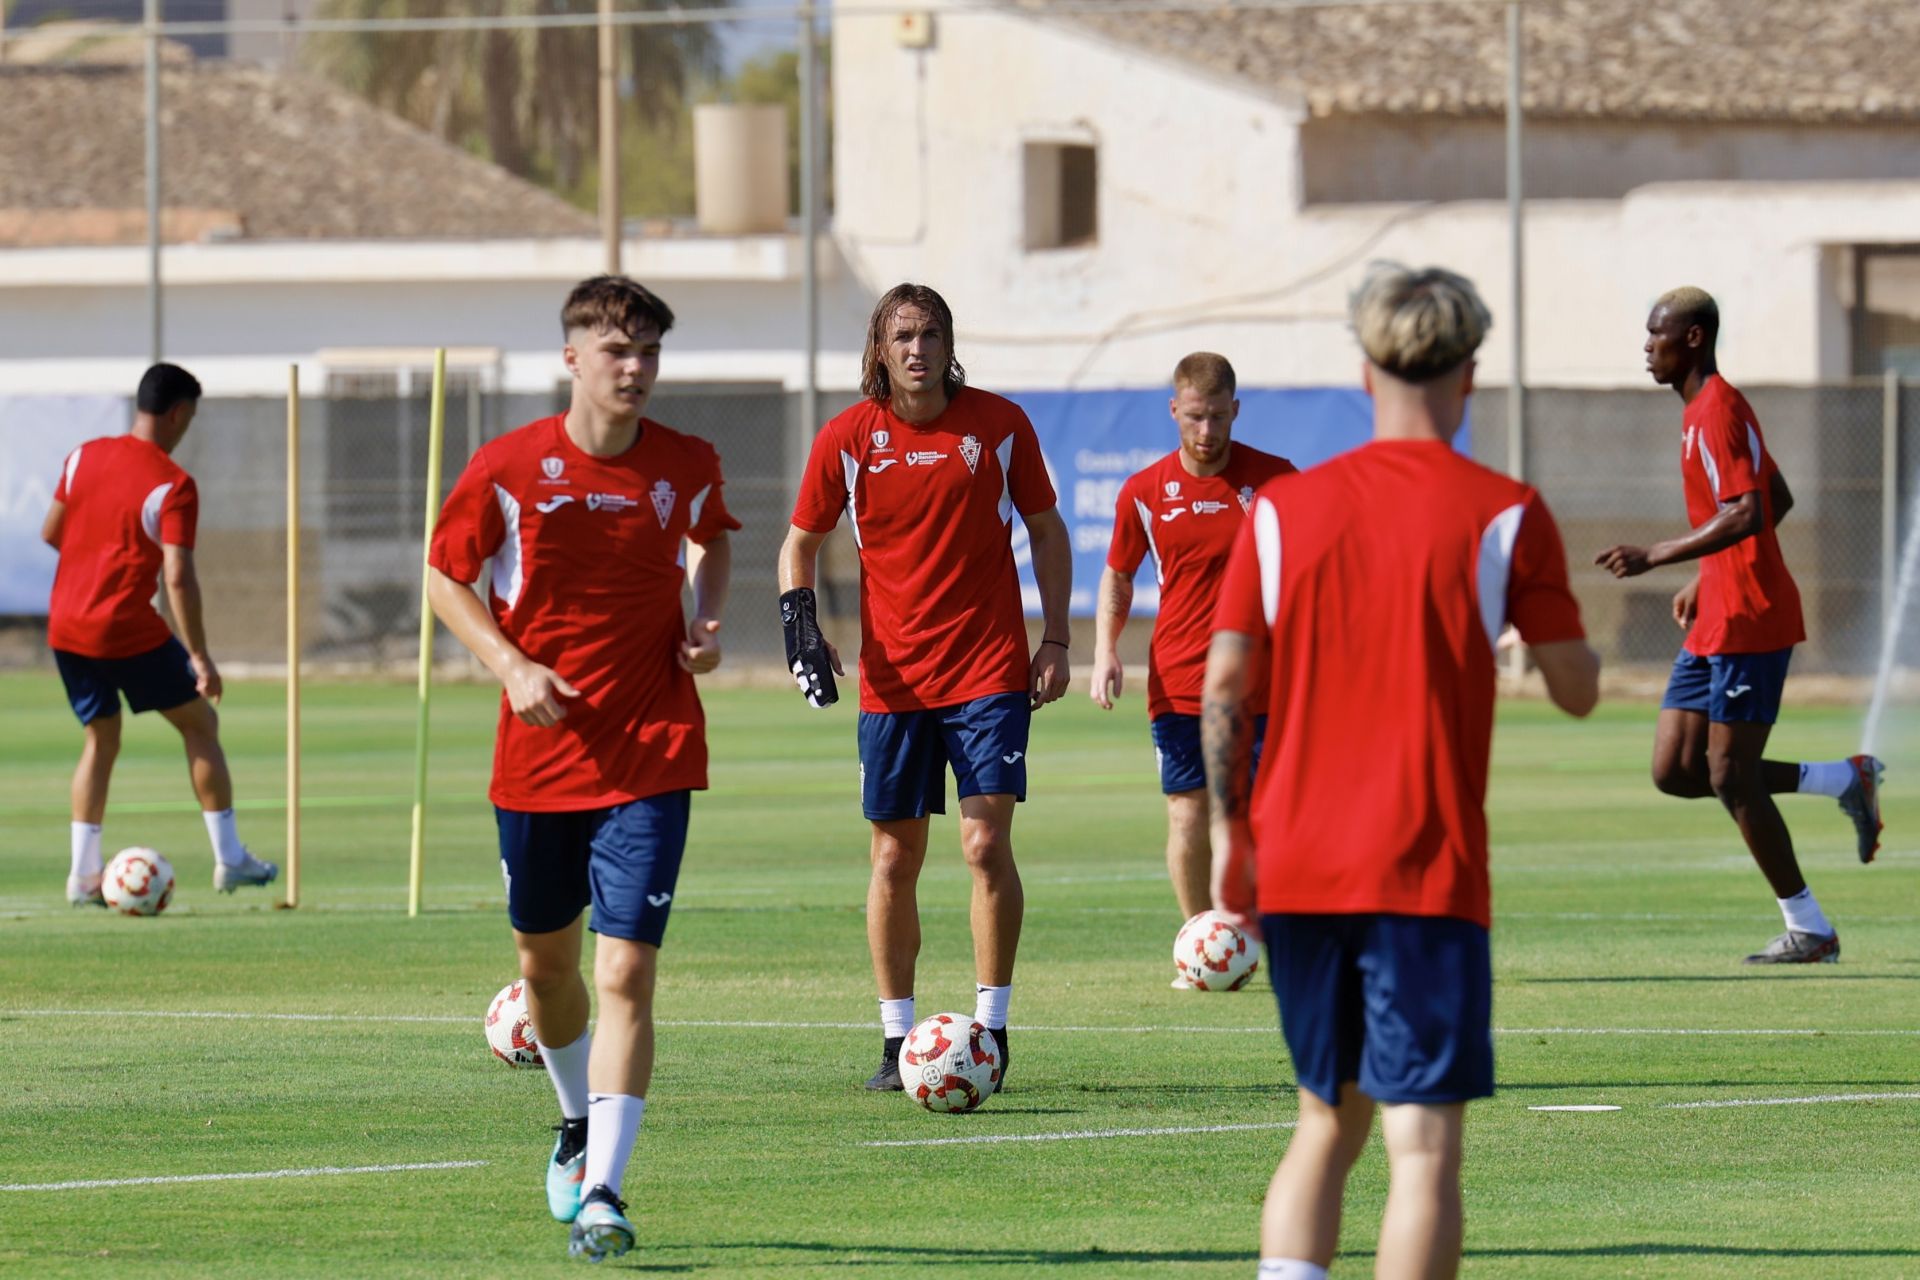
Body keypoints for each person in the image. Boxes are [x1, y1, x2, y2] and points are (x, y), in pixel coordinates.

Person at [1203, 264, 1599, 1280]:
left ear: (1365, 366)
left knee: (1322, 1126)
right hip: (1423, 868)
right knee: (1421, 1148)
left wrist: (1227, 835)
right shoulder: (1506, 513)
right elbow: (1578, 688)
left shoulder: (1283, 510)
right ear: (1471, 371)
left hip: (1298, 865)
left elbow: (1225, 686)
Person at [426, 275, 737, 1262]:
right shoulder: (510, 466)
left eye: (648, 350)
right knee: (546, 967)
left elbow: (714, 540)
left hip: (652, 745)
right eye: (616, 350)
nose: (634, 367)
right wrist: (511, 664)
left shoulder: (686, 462)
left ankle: (604, 1183)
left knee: (625, 966)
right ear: (572, 356)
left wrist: (699, 618)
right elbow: (444, 574)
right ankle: (571, 1119)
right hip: (540, 756)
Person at [778, 282, 1073, 1092]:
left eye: (931, 333)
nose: (918, 348)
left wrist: (1055, 637)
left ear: (949, 344)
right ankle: (894, 1039)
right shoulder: (847, 436)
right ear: (880, 348)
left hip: (986, 671)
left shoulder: (999, 425)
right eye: (903, 334)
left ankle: (993, 1030)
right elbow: (799, 543)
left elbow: (1046, 528)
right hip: (894, 682)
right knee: (893, 858)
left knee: (984, 847)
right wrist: (801, 626)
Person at [1596, 286, 1882, 965]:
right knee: (1676, 769)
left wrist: (1660, 555)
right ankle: (1845, 780)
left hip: (1752, 617)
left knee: (1728, 774)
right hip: (1718, 614)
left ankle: (1809, 928)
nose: (1646, 346)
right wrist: (1705, 573)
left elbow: (1751, 510)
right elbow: (1774, 497)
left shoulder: (1719, 409)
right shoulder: (1701, 412)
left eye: (1656, 334)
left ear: (1692, 338)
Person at [43, 362, 278, 906]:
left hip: (66, 624)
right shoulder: (173, 484)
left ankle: (81, 876)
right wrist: (199, 655)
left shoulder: (83, 456)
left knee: (101, 737)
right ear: (178, 414)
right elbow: (178, 575)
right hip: (121, 625)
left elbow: (53, 532)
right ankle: (231, 859)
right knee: (201, 722)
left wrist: (93, 567)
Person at [1090, 352, 1295, 969]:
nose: (1207, 433)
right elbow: (1118, 576)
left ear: (1236, 411)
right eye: (1195, 418)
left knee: (1261, 814)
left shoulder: (1279, 480)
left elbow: (1315, 565)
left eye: (1218, 418)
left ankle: (1261, 929)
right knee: (1187, 812)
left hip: (1264, 682)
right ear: (1175, 411)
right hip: (1178, 681)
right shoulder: (1146, 492)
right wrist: (1105, 650)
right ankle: (1202, 944)